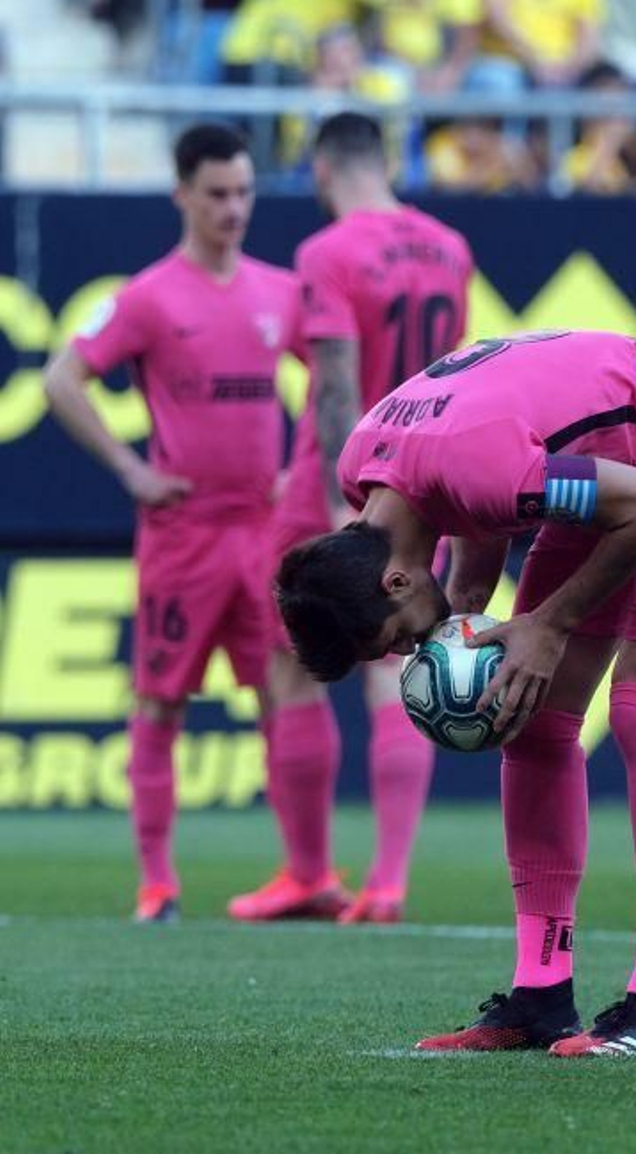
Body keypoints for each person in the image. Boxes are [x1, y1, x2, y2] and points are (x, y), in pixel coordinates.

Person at [275, 328, 636, 1056]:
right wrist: (472, 598)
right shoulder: (369, 473)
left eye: (394, 639)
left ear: (396, 581)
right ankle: (541, 996)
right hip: (603, 475)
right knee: (532, 722)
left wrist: (549, 623)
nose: (409, 650)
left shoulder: (476, 470)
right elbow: (475, 504)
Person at [42, 124, 301, 923]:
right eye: (217, 194)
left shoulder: (279, 290)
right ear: (182, 194)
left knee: (283, 698)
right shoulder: (150, 295)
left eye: (244, 193)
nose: (234, 209)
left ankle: (302, 874)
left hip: (264, 530)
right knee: (160, 702)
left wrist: (310, 472)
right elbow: (61, 377)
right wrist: (131, 470)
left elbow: (332, 379)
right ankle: (157, 884)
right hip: (184, 534)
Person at [228, 112, 474, 925]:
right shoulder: (449, 246)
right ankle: (390, 879)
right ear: (388, 159)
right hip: (425, 480)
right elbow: (456, 373)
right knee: (393, 663)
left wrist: (348, 505)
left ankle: (308, 874)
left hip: (341, 481)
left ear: (322, 171)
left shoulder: (326, 252)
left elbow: (335, 385)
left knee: (294, 665)